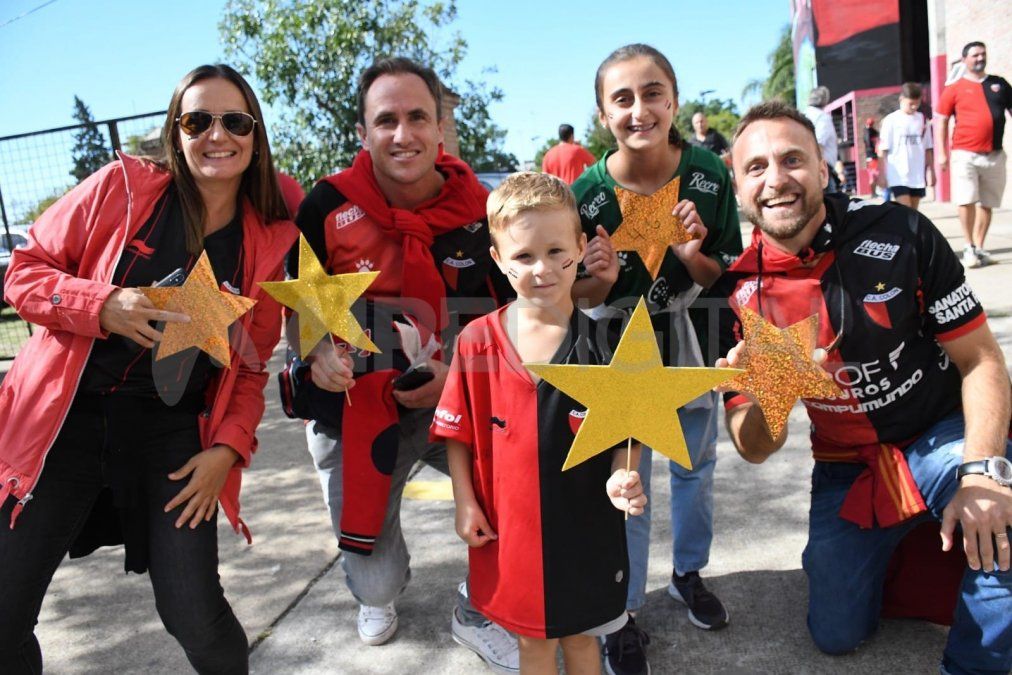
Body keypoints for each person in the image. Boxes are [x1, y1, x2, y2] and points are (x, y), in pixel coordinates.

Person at [0, 64, 297, 673]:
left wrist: (227, 452)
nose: (218, 135)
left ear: (256, 135)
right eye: (198, 120)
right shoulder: (120, 188)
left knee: (196, 614)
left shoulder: (265, 242)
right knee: (2, 613)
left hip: (169, 435)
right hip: (64, 424)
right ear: (176, 130)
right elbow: (23, 273)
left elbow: (248, 369)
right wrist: (101, 304)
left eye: (235, 121)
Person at [717, 100, 1012, 674]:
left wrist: (985, 472)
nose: (776, 179)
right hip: (845, 464)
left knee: (999, 519)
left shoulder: (902, 232)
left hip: (940, 432)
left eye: (792, 160)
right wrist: (773, 390)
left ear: (824, 171)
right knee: (835, 633)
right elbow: (753, 448)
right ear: (737, 186)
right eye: (756, 167)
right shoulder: (733, 294)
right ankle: (911, 554)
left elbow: (982, 362)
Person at [287, 56, 518, 671]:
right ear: (363, 134)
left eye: (418, 116)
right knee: (376, 584)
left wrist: (460, 381)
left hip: (460, 401)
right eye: (385, 119)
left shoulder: (483, 210)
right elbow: (299, 309)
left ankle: (481, 607)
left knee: (536, 471)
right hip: (359, 413)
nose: (402, 133)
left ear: (440, 127)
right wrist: (316, 356)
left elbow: (518, 322)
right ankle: (375, 578)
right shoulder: (326, 206)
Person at [571, 43, 743, 675]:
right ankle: (625, 609)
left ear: (674, 101)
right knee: (630, 478)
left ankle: (688, 573)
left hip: (689, 334)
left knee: (696, 466)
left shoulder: (707, 172)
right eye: (622, 98)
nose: (639, 109)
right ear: (601, 113)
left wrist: (693, 247)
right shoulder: (586, 192)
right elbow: (578, 293)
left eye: (652, 94)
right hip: (619, 347)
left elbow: (719, 270)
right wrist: (598, 275)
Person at [433, 171, 647, 675]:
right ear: (498, 260)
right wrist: (465, 501)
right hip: (511, 530)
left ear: (580, 245)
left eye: (555, 251)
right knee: (531, 646)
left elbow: (630, 429)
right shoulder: (476, 342)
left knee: (581, 641)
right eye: (524, 256)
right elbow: (457, 433)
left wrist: (624, 472)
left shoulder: (608, 340)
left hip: (586, 525)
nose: (542, 269)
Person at [936, 41, 1012, 269]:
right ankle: (968, 246)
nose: (980, 58)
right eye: (975, 55)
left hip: (995, 154)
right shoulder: (954, 88)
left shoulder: (999, 84)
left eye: (983, 54)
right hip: (965, 153)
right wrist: (942, 153)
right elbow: (941, 120)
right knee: (966, 199)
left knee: (988, 202)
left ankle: (979, 247)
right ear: (965, 59)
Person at [877, 82, 935, 211]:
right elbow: (882, 150)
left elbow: (928, 148)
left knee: (913, 213)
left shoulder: (922, 119)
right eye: (911, 104)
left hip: (917, 174)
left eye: (917, 103)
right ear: (901, 99)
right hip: (898, 175)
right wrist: (882, 174)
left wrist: (931, 170)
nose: (914, 107)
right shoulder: (891, 120)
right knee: (905, 210)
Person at [804, 86, 844, 193]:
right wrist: (819, 170)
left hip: (808, 166)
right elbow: (819, 144)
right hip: (821, 168)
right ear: (825, 100)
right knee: (830, 203)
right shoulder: (822, 117)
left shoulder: (803, 115)